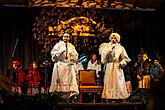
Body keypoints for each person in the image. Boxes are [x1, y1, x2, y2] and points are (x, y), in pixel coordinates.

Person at [99, 32, 131, 102]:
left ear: (117, 40)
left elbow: (126, 58)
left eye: (115, 38)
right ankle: (109, 97)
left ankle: (118, 97)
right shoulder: (106, 47)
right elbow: (103, 59)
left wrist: (122, 63)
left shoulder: (121, 48)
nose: (113, 40)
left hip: (117, 66)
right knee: (110, 82)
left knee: (118, 82)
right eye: (112, 38)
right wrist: (109, 50)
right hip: (109, 66)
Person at [49, 33, 79, 102]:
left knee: (69, 84)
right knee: (59, 83)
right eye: (65, 36)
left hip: (68, 67)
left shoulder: (71, 46)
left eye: (68, 37)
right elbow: (53, 56)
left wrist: (74, 56)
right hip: (60, 66)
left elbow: (76, 56)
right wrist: (60, 52)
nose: (66, 38)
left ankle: (68, 98)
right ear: (62, 37)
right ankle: (59, 98)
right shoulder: (58, 45)